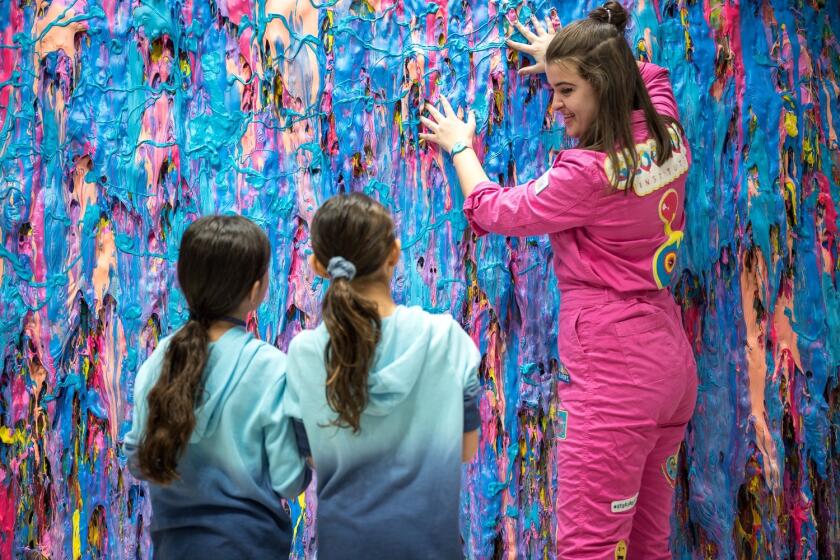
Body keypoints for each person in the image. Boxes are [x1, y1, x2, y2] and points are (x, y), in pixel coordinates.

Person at [420, 2, 698, 558]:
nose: (557, 104)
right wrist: (569, 57)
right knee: (649, 548)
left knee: (587, 551)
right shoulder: (667, 132)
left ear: (602, 84)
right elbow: (651, 77)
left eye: (566, 90)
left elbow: (492, 209)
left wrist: (458, 147)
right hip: (670, 375)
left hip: (614, 388)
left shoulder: (588, 173)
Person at [282, 193, 481, 559]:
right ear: (395, 253)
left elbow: (309, 457)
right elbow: (467, 448)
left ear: (318, 266)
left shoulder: (304, 353)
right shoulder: (446, 338)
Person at [123, 215, 309, 559]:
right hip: (251, 548)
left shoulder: (158, 361)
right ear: (256, 290)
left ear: (185, 282)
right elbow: (289, 480)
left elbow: (137, 458)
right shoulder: (272, 369)